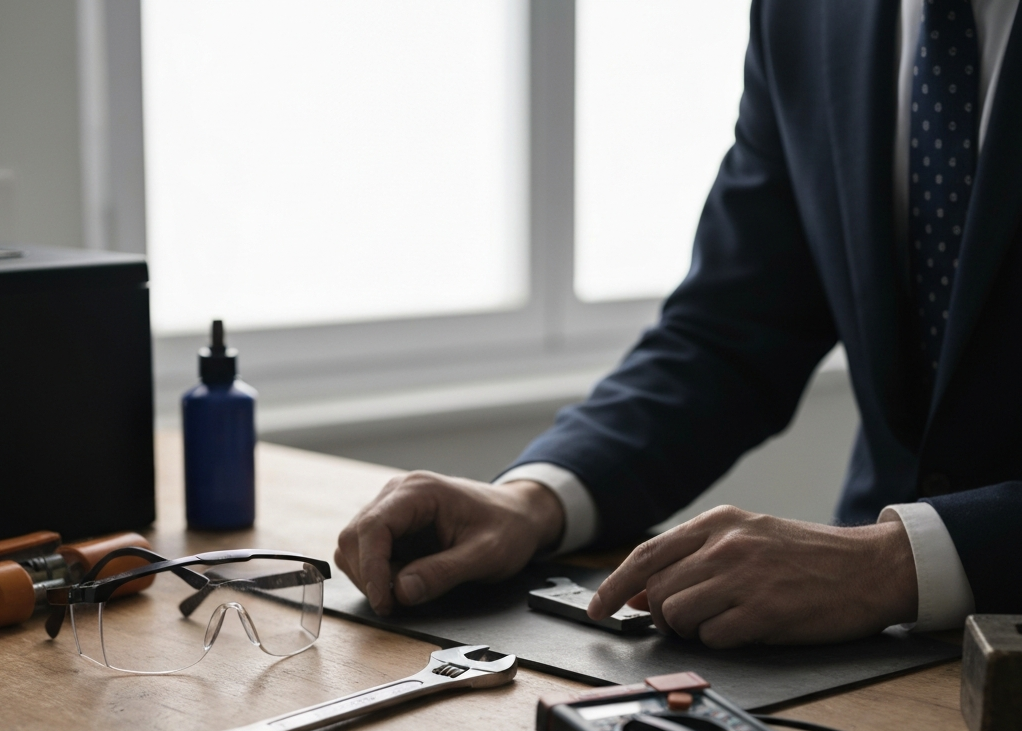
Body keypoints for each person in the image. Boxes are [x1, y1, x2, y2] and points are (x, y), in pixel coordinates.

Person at [337, 0, 1022, 648]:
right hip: (868, 655)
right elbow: (728, 333)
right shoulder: (806, 12)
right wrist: (534, 500)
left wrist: (899, 562)